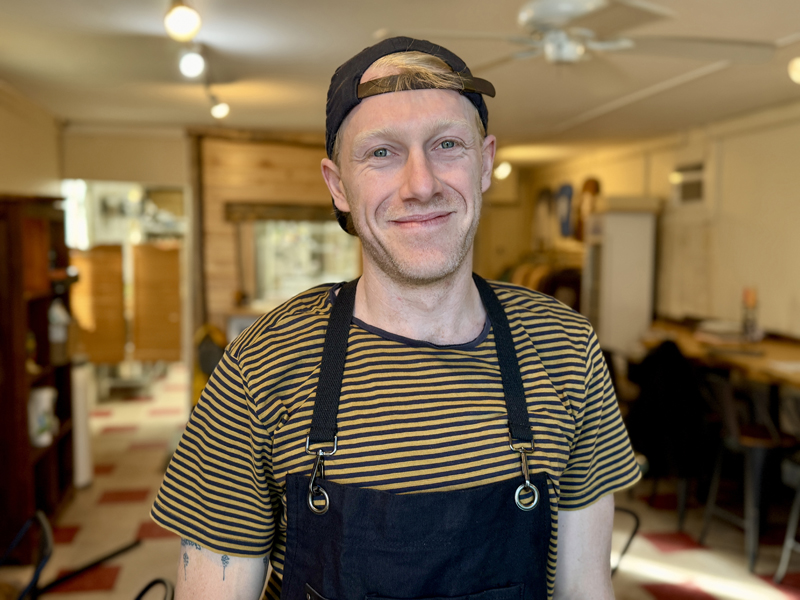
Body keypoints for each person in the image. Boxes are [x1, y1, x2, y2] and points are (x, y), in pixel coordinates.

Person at [151, 36, 641, 600]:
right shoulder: (262, 363)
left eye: (448, 144)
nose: (421, 184)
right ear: (339, 186)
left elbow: (585, 590)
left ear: (484, 164)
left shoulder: (565, 346)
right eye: (382, 152)